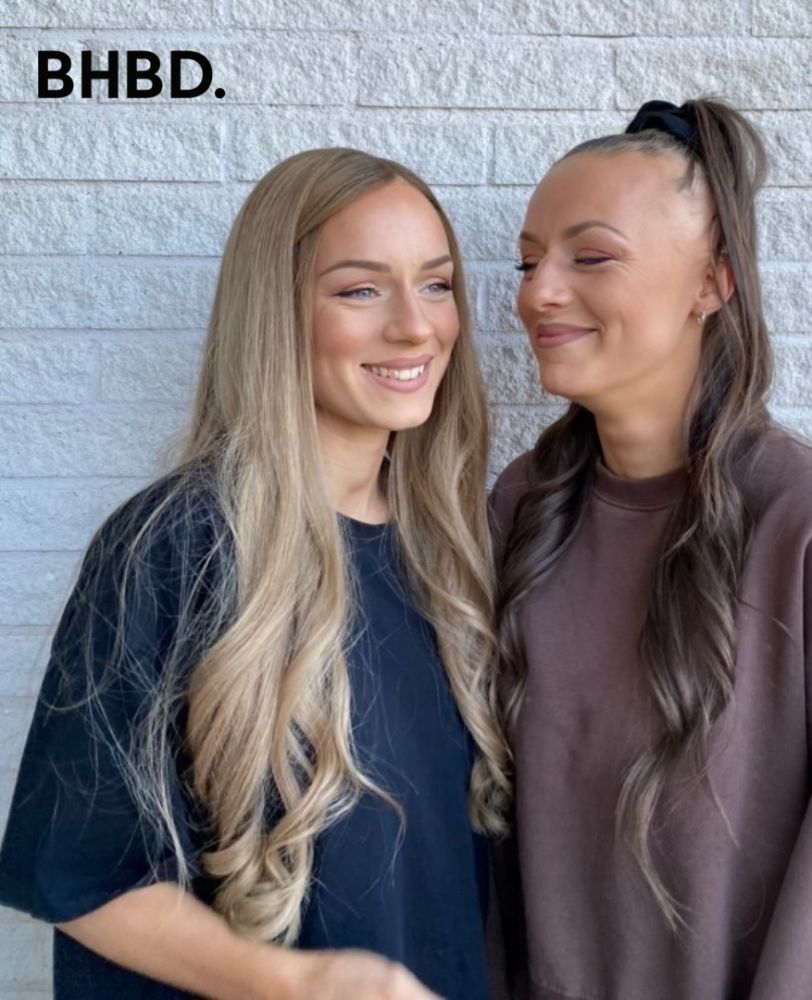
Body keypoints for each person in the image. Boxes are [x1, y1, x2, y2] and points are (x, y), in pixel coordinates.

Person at [0, 147, 511, 1000]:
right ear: (276, 311)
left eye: (436, 284)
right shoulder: (175, 546)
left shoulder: (450, 555)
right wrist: (294, 983)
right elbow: (77, 873)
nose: (416, 327)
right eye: (360, 290)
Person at [490, 100, 812, 1000]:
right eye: (529, 262)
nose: (537, 294)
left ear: (713, 282)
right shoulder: (520, 510)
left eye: (591, 257)